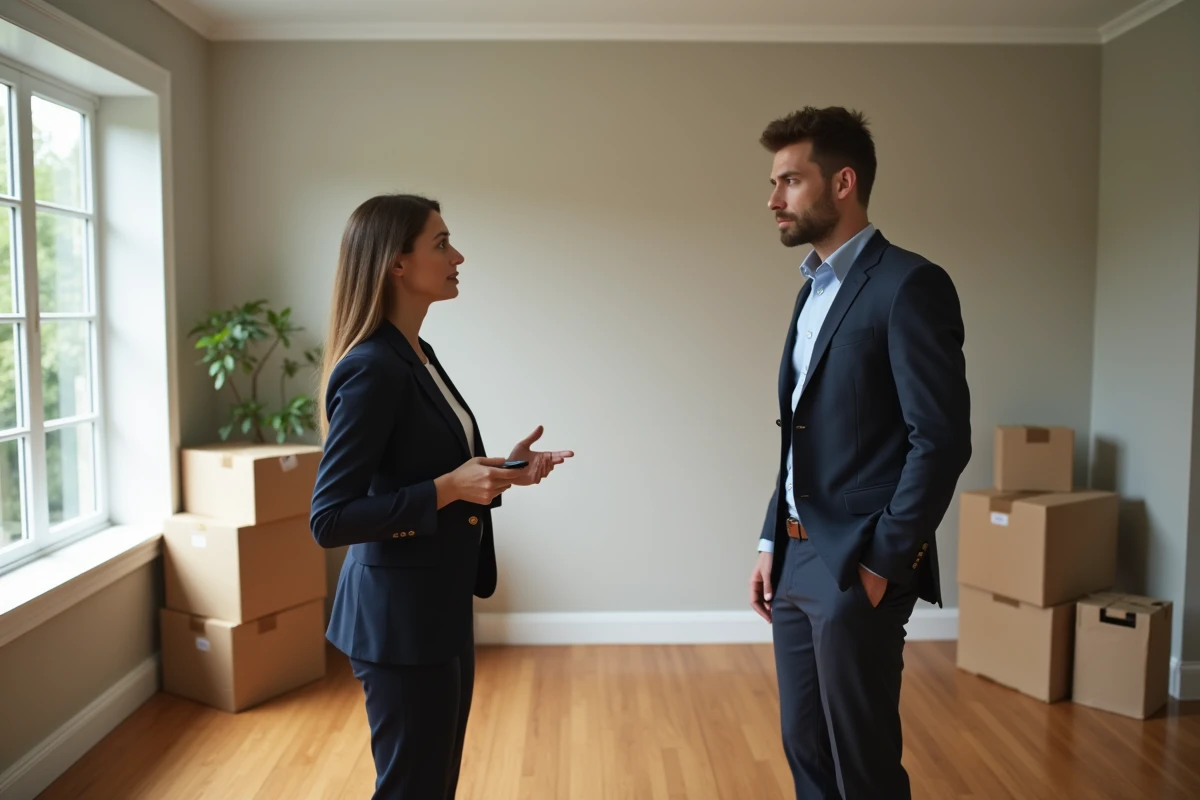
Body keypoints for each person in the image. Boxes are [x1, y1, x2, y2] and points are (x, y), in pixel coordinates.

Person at [309, 193, 573, 799]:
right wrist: (449, 488)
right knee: (412, 789)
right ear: (396, 264)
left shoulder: (416, 354)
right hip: (397, 624)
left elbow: (427, 472)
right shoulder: (373, 367)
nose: (458, 255)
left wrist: (504, 472)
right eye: (441, 243)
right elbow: (330, 518)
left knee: (433, 785)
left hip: (439, 608)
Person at [748, 107, 971, 799]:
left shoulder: (909, 285)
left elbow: (940, 440)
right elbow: (803, 435)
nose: (773, 199)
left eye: (789, 180)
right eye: (773, 182)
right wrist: (768, 539)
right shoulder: (811, 290)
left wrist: (884, 560)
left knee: (862, 761)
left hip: (857, 566)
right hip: (792, 559)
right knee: (806, 748)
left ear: (842, 182)